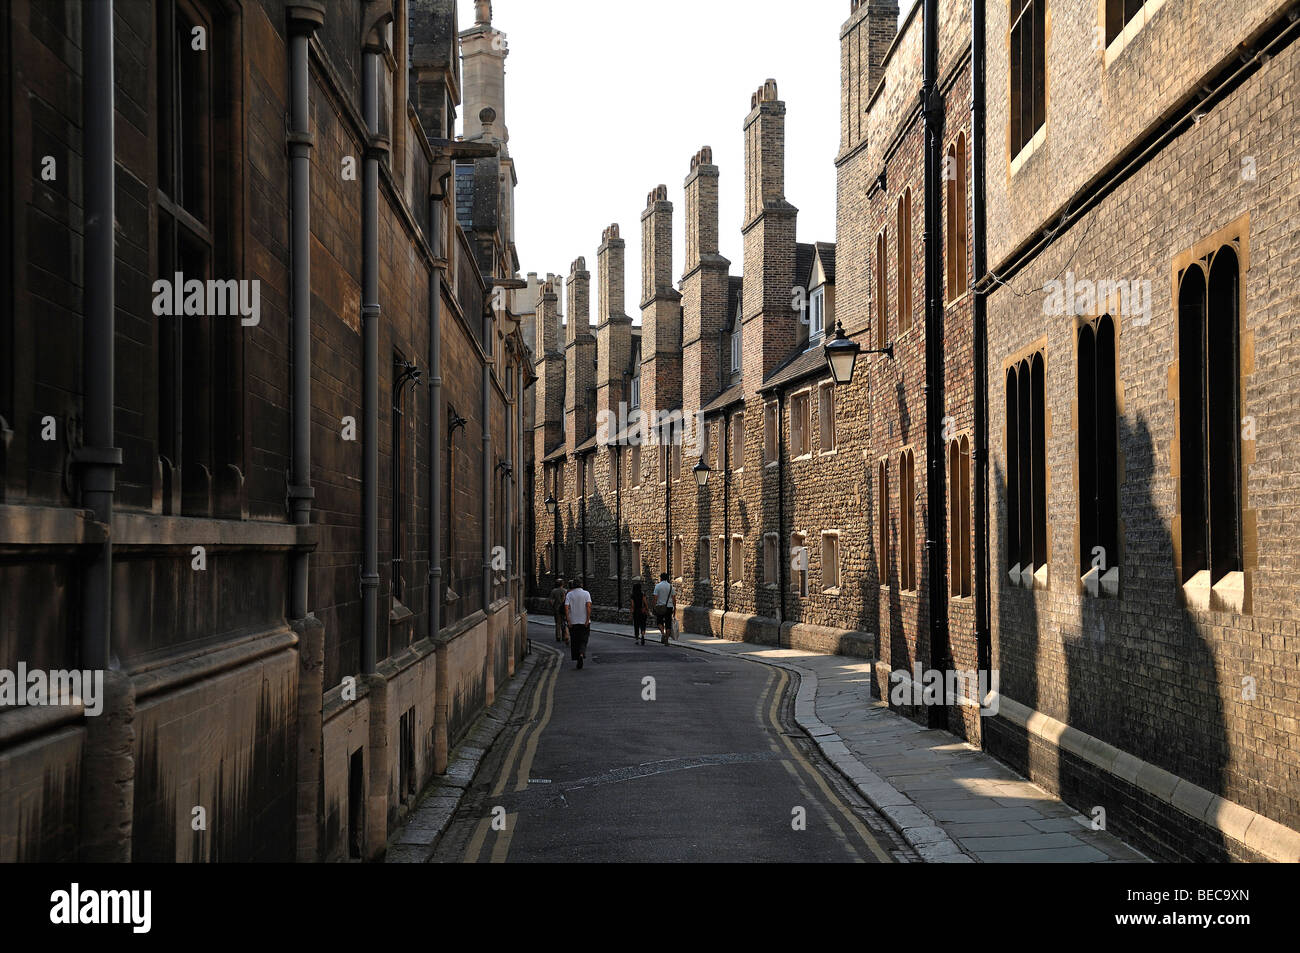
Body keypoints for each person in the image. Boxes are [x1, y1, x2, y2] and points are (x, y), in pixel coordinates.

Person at [564, 578, 593, 669]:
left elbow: (566, 608)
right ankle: (581, 653)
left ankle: (577, 658)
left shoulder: (569, 594)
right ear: (581, 584)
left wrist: (568, 620)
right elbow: (588, 607)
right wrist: (587, 620)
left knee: (575, 641)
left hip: (573, 622)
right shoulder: (586, 593)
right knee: (584, 640)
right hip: (584, 622)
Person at [652, 572, 675, 645]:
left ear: (661, 578)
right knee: (668, 623)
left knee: (659, 622)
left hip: (660, 607)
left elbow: (655, 598)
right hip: (669, 607)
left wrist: (654, 606)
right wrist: (675, 608)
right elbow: (674, 599)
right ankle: (667, 640)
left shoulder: (657, 586)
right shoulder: (671, 587)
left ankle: (663, 633)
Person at [549, 577, 568, 643]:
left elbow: (551, 601)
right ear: (562, 584)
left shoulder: (553, 591)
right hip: (564, 609)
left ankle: (558, 636)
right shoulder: (565, 591)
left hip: (557, 609)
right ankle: (564, 636)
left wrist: (553, 606)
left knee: (558, 623)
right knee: (564, 623)